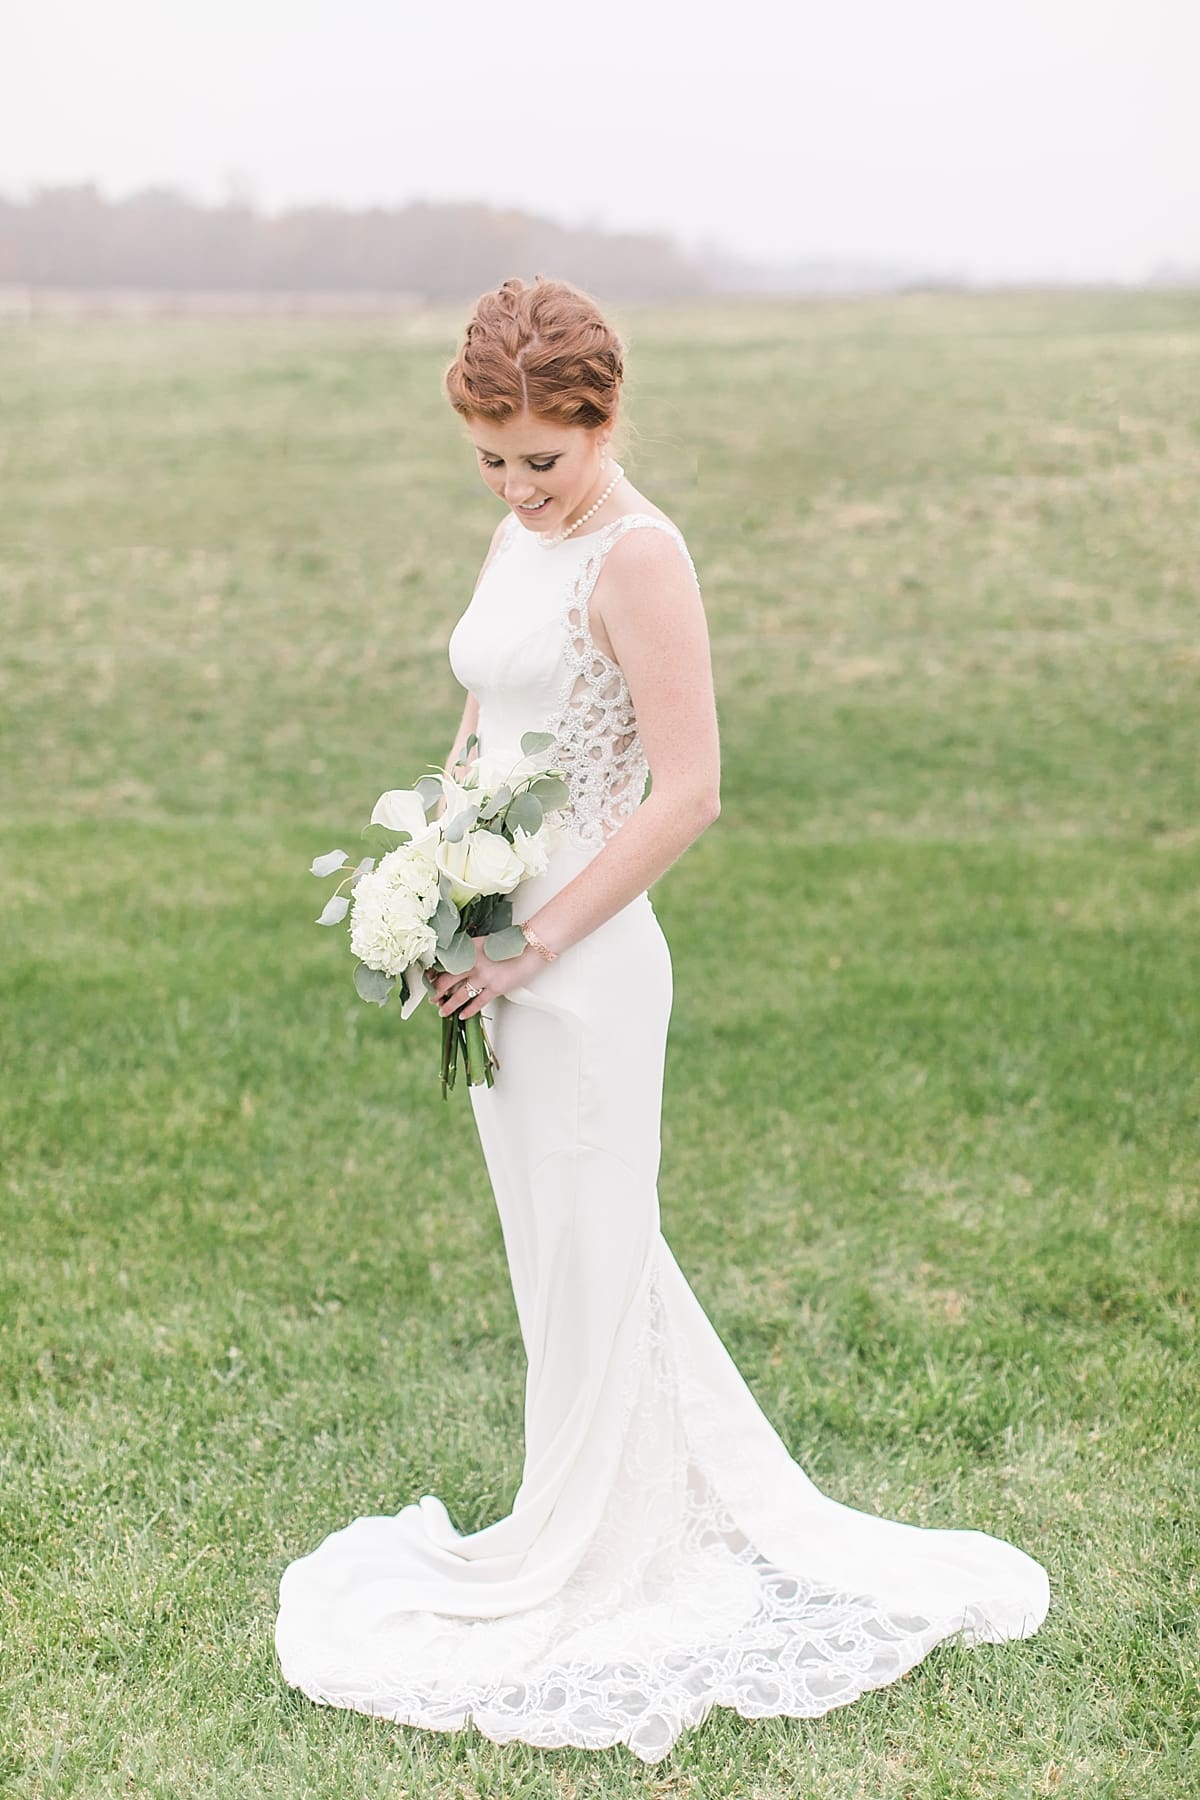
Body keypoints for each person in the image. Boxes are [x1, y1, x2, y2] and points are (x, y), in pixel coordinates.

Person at [274, 275, 1050, 1764]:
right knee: (555, 1254)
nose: (517, 485)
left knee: (596, 1242)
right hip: (492, 936)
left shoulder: (640, 555)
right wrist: (433, 868)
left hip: (587, 958)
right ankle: (576, 1515)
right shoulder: (517, 533)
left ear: (607, 415)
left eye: (542, 459)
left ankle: (611, 1557)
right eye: (492, 460)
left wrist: (536, 941)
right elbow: (486, 719)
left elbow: (688, 790)